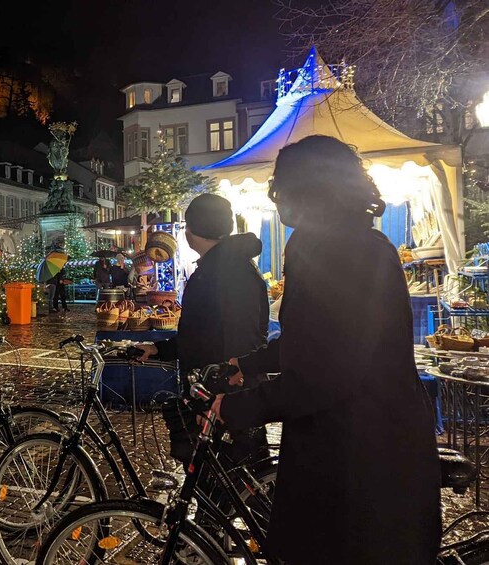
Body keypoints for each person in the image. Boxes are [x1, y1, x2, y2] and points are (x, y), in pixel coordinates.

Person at [210, 136, 441, 564]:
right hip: (359, 450)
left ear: (305, 190)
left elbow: (326, 373)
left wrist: (236, 409)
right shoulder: (348, 243)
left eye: (282, 186)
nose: (278, 200)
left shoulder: (338, 250)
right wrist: (249, 363)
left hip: (359, 467)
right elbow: (318, 338)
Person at [135, 193, 269, 463]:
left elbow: (237, 338)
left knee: (231, 482)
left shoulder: (223, 271)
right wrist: (159, 349)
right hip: (221, 391)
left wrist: (220, 395)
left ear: (191, 230)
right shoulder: (229, 265)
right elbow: (201, 334)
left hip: (222, 398)